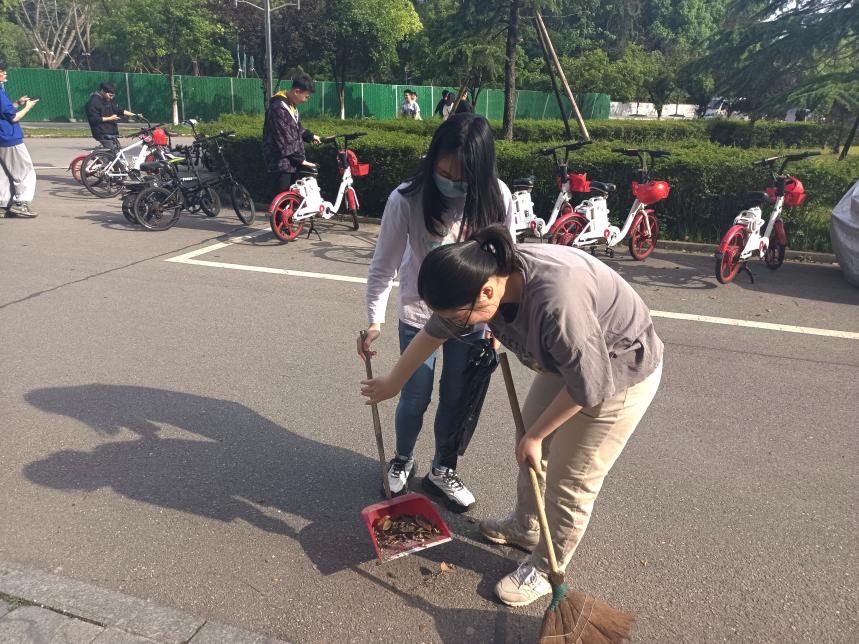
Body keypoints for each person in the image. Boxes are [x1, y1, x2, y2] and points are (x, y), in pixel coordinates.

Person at [361, 225, 664, 607]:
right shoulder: (479, 280)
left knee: (571, 480)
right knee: (529, 449)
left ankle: (546, 567)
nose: (459, 325)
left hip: (618, 371)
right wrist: (393, 382)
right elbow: (434, 332)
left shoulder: (557, 302)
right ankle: (527, 526)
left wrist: (537, 435)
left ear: (487, 293)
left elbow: (589, 384)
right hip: (568, 363)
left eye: (462, 318)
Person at [357, 113, 515, 512]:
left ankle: (443, 468)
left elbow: (505, 263)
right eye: (444, 173)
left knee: (456, 398)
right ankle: (402, 458)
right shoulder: (406, 199)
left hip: (474, 316)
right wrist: (374, 319)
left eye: (464, 177)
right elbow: (383, 265)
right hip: (420, 314)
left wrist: (498, 323)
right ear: (432, 161)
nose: (453, 183)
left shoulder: (497, 196)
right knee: (414, 396)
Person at [262, 73, 322, 199]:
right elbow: (284, 140)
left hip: (292, 163)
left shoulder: (291, 105)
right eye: (306, 96)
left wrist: (310, 136)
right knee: (282, 201)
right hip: (281, 164)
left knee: (293, 202)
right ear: (296, 91)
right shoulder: (278, 108)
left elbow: (296, 128)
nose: (307, 99)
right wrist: (301, 160)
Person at [0, 62, 39, 218]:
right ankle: (21, 204)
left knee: (3, 174)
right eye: (2, 71)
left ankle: (2, 204)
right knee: (25, 172)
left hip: (2, 138)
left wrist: (17, 103)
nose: (5, 74)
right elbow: (13, 117)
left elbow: (5, 111)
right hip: (9, 137)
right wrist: (28, 106)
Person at [85, 82, 137, 147]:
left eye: (113, 96)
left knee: (117, 150)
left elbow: (119, 110)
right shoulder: (93, 102)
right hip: (102, 133)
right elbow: (94, 119)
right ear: (102, 91)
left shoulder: (107, 100)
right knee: (111, 151)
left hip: (111, 132)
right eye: (110, 95)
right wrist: (110, 118)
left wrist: (135, 115)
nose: (111, 98)